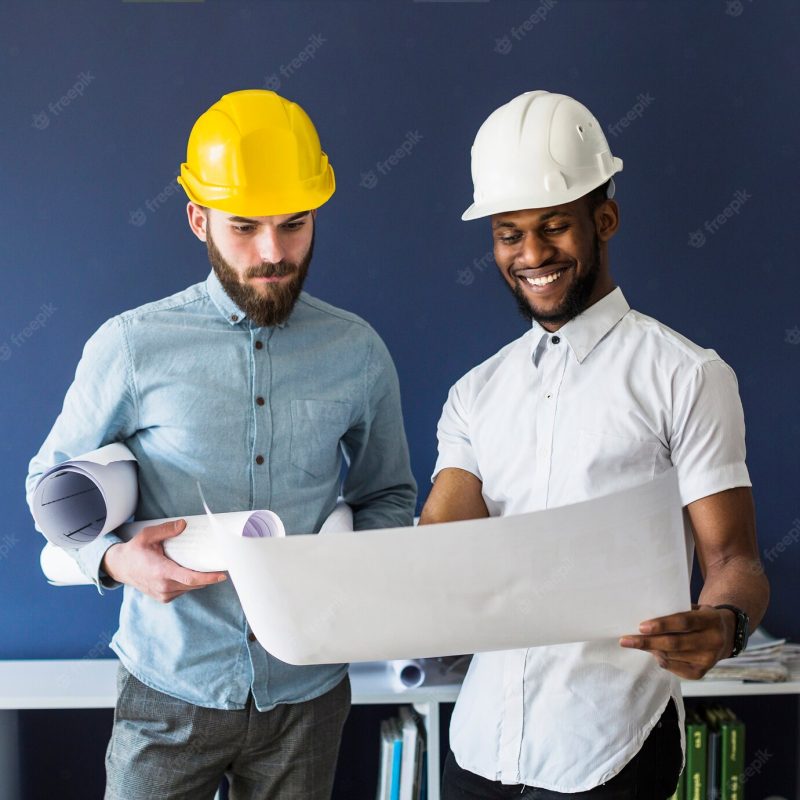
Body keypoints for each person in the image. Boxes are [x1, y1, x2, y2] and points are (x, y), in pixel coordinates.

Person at [26, 89, 416, 800]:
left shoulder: (357, 351)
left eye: (294, 225)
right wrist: (114, 560)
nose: (274, 253)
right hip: (167, 688)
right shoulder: (132, 345)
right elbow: (48, 483)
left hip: (307, 691)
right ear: (197, 218)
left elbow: (388, 492)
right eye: (245, 228)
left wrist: (348, 569)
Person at [420, 90, 769, 799]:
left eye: (554, 227)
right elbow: (437, 549)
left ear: (603, 219)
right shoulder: (475, 393)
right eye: (509, 234)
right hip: (479, 743)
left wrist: (724, 626)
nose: (532, 254)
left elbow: (735, 561)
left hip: (610, 744)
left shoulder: (686, 375)